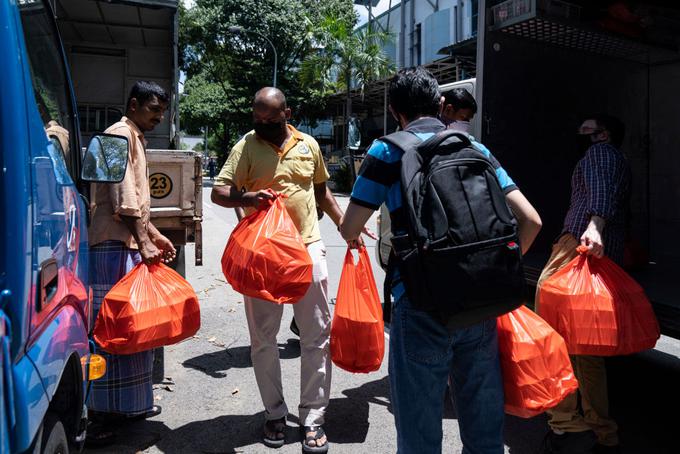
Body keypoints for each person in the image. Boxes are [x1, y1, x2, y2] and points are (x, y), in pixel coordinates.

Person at [340, 67, 542, 454]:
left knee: (419, 433)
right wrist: (496, 271)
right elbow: (531, 220)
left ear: (396, 111)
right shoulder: (475, 148)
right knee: (484, 432)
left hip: (421, 303)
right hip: (481, 304)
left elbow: (350, 227)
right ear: (440, 105)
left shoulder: (386, 150)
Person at [211, 87, 371, 453]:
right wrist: (245, 198)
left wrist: (348, 229)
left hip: (308, 248)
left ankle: (313, 417)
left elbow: (322, 193)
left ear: (287, 112)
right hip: (264, 256)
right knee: (263, 340)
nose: (263, 125)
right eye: (258, 119)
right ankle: (275, 414)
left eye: (271, 119)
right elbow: (218, 191)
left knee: (317, 336)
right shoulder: (247, 146)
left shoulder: (308, 145)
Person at [86, 81, 177, 446]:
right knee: (114, 331)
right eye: (154, 110)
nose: (158, 118)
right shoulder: (117, 135)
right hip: (111, 245)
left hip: (121, 243)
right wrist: (143, 240)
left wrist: (153, 234)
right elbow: (121, 198)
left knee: (134, 329)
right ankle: (104, 416)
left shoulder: (133, 136)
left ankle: (129, 406)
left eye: (161, 112)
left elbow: (136, 201)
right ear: (135, 104)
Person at [538, 115, 630, 454]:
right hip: (600, 252)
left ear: (603, 134)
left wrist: (593, 227)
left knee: (551, 333)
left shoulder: (600, 154)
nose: (580, 133)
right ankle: (601, 432)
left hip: (578, 246)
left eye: (586, 129)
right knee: (586, 350)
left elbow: (601, 192)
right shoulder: (619, 159)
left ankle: (565, 426)